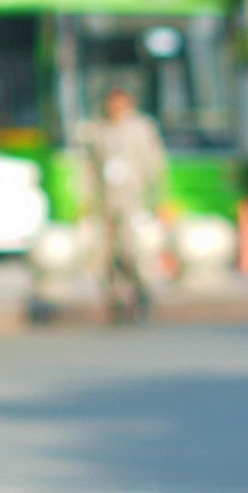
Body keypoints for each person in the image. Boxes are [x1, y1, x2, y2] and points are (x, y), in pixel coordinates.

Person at [75, 86, 166, 321]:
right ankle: (114, 298)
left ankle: (139, 292)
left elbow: (153, 163)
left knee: (130, 250)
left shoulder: (141, 129)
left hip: (132, 199)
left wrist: (156, 198)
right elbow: (90, 167)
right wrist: (87, 199)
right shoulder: (98, 130)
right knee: (105, 253)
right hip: (106, 200)